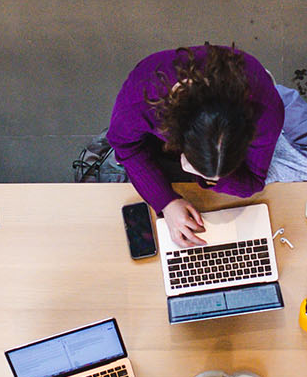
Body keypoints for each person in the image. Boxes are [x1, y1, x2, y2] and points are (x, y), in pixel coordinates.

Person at [107, 44, 286, 247]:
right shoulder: (142, 98)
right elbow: (124, 146)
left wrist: (211, 179)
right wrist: (165, 202)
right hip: (155, 138)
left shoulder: (268, 112)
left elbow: (254, 181)